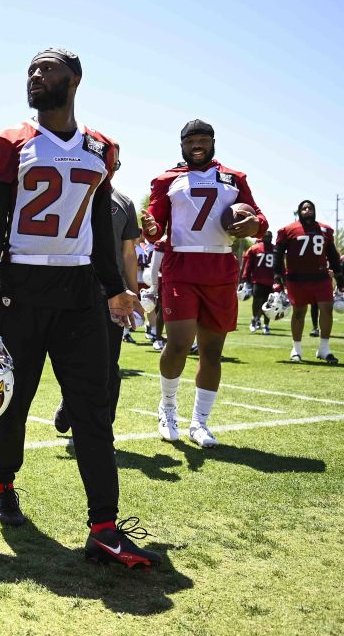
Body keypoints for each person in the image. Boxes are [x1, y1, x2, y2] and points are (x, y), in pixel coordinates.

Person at [0, 47, 157, 568]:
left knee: (94, 409)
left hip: (79, 294)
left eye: (46, 68)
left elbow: (98, 224)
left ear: (74, 80)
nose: (35, 75)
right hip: (20, 289)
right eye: (30, 68)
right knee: (13, 401)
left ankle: (105, 525)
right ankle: (3, 483)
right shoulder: (9, 143)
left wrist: (114, 287)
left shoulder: (101, 147)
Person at [141, 119, 268, 448]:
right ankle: (167, 408)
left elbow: (259, 219)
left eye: (203, 139)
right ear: (181, 144)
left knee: (212, 351)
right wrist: (152, 227)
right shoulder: (166, 179)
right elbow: (154, 225)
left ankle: (200, 423)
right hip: (181, 263)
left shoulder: (234, 178)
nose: (197, 145)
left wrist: (255, 223)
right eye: (191, 140)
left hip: (220, 266)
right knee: (179, 343)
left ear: (213, 142)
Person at [53, 151, 140, 432]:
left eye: (113, 162)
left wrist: (133, 293)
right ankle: (70, 401)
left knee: (108, 363)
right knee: (70, 356)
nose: (108, 166)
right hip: (74, 289)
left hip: (110, 294)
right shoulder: (73, 194)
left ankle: (104, 425)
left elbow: (128, 254)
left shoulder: (125, 203)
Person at [274, 200, 344, 363]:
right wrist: (277, 274)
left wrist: (339, 275)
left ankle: (324, 349)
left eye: (310, 208)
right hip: (297, 277)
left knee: (327, 310)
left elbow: (332, 254)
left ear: (315, 211)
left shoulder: (325, 230)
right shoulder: (288, 230)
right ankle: (296, 349)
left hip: (320, 277)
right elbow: (278, 253)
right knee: (299, 312)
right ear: (299, 211)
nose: (307, 210)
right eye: (304, 208)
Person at [240, 231, 276, 334]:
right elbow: (249, 264)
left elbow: (279, 266)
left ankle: (266, 325)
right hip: (258, 280)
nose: (268, 238)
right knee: (257, 302)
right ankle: (255, 320)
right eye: (267, 236)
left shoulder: (274, 249)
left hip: (270, 281)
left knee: (268, 304)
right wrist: (245, 277)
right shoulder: (255, 248)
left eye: (270, 236)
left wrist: (281, 279)